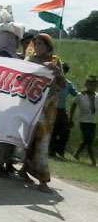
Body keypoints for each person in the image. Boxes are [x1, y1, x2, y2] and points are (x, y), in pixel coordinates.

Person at [19, 34, 64, 192]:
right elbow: (19, 80)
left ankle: (43, 180)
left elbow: (62, 84)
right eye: (35, 43)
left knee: (42, 142)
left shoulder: (55, 61)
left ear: (48, 46)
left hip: (48, 107)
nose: (37, 46)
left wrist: (57, 72)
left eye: (41, 44)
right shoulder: (29, 61)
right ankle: (24, 169)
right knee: (29, 139)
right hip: (31, 105)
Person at [0, 5, 25, 173]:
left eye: (9, 37)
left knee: (8, 134)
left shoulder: (18, 59)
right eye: (4, 36)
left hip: (12, 101)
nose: (6, 40)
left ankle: (3, 162)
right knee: (0, 134)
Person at [51, 63, 78, 157]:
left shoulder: (68, 84)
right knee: (52, 130)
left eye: (62, 70)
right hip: (51, 108)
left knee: (65, 130)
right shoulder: (50, 81)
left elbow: (76, 94)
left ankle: (60, 150)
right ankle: (51, 150)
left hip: (61, 110)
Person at [71, 75, 98, 166]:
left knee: (88, 140)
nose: (93, 87)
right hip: (84, 121)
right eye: (90, 85)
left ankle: (76, 154)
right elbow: (73, 106)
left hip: (93, 122)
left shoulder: (97, 96)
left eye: (95, 85)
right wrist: (71, 119)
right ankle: (94, 161)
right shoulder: (80, 95)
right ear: (86, 84)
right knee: (88, 140)